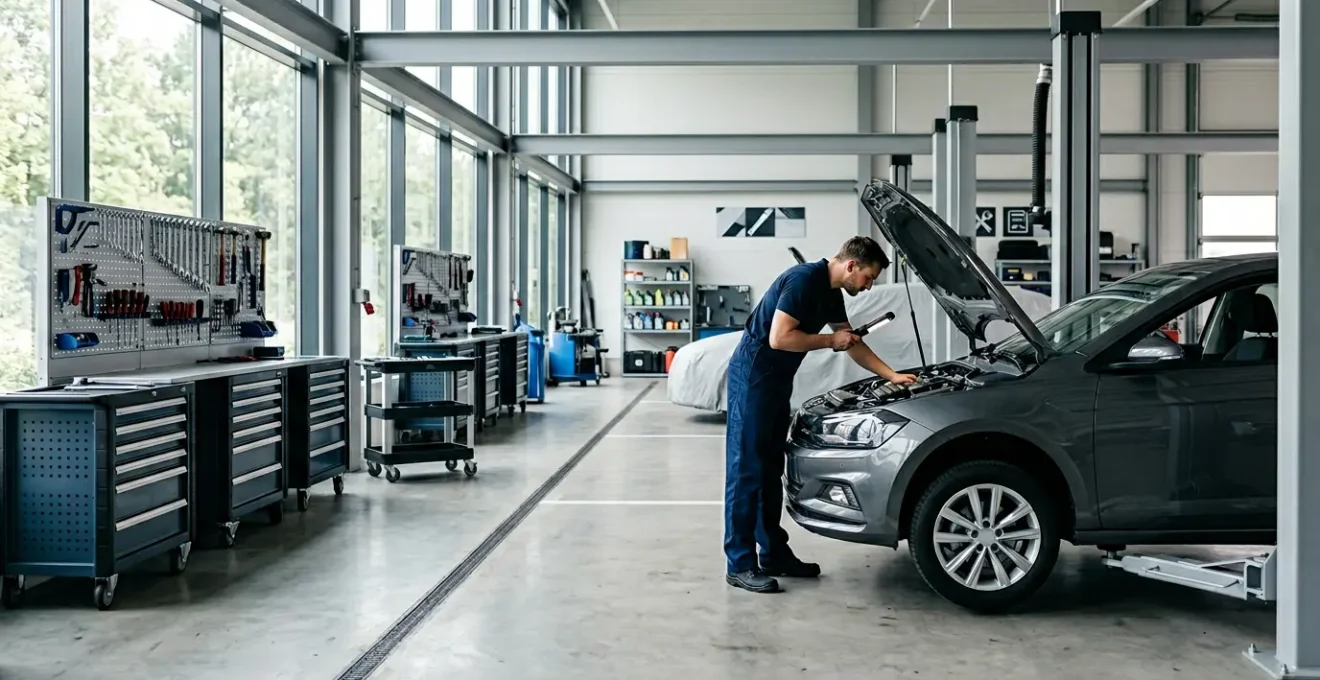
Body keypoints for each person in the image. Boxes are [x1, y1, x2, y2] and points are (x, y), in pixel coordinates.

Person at [723, 236, 918, 594]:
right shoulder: (803, 281)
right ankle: (739, 563)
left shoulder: (832, 294)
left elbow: (850, 342)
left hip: (777, 381)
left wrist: (891, 375)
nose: (869, 285)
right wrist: (830, 342)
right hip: (752, 377)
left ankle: (773, 555)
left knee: (770, 470)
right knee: (747, 468)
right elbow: (779, 339)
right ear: (851, 266)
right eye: (869, 277)